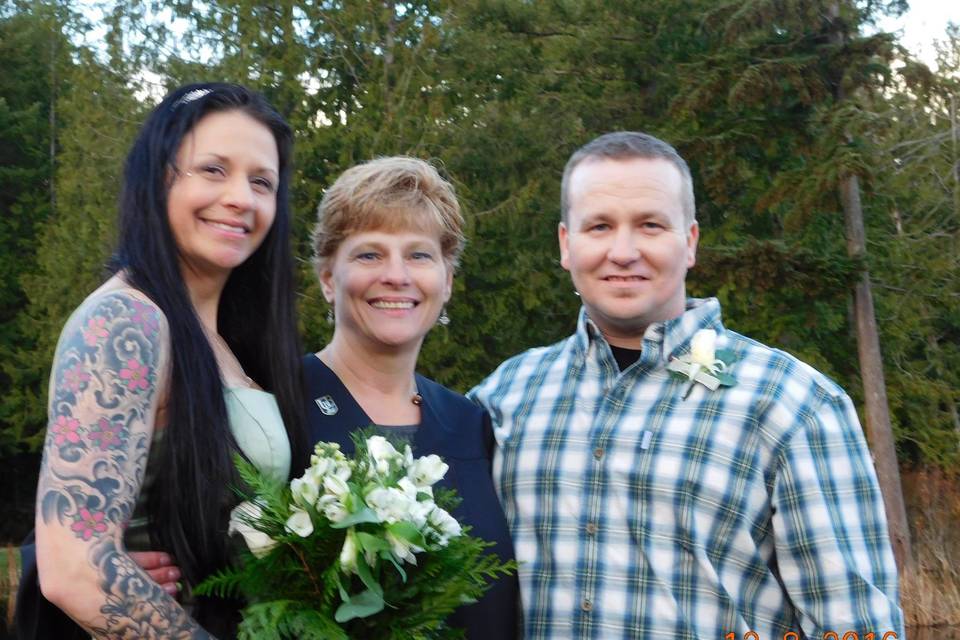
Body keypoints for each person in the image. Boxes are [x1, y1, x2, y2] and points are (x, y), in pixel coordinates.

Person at [468, 131, 905, 639]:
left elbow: (855, 623)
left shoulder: (794, 406)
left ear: (690, 242)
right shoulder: (505, 397)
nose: (623, 251)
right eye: (599, 226)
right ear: (567, 244)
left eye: (650, 225)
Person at [20, 82, 308, 639]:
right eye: (213, 169)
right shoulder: (126, 322)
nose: (241, 198)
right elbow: (74, 570)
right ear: (158, 178)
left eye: (261, 182)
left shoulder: (225, 341)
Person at [302, 156, 519, 638]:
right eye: (369, 254)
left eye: (419, 255)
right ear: (327, 278)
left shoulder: (472, 424)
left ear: (447, 281)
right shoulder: (279, 409)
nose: (396, 275)